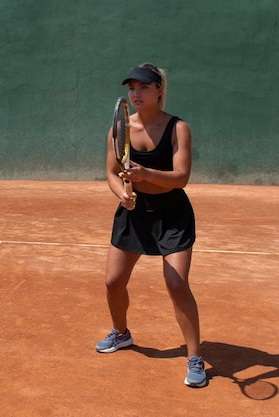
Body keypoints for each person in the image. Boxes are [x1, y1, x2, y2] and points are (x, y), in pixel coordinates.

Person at [95, 63, 206, 388]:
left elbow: (181, 177)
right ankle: (121, 333)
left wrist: (146, 175)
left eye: (143, 87)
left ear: (159, 89)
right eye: (132, 88)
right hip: (135, 213)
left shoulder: (178, 128)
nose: (136, 93)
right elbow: (112, 173)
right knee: (113, 281)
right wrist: (123, 196)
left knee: (176, 284)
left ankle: (195, 358)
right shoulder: (120, 130)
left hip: (172, 214)